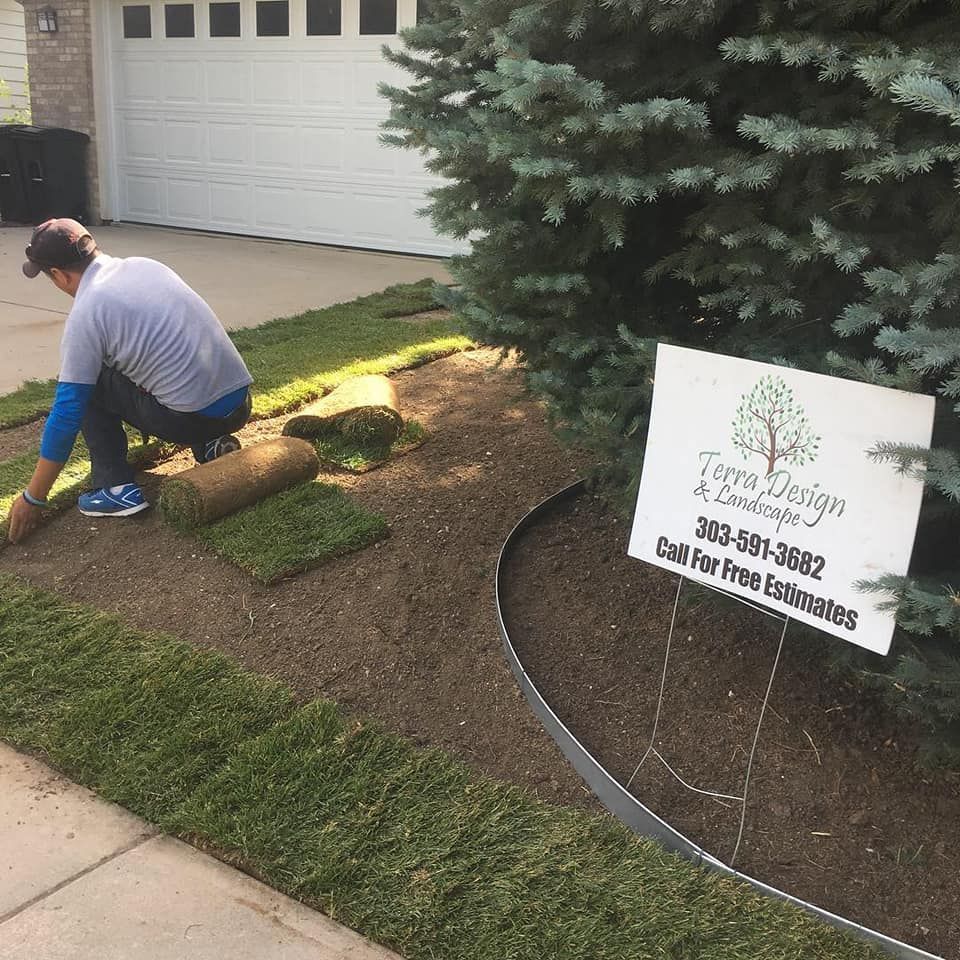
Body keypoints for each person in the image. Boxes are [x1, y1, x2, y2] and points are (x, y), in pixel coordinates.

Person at [7, 219, 253, 544]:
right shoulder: (146, 267)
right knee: (147, 362)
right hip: (239, 405)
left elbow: (66, 414)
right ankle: (210, 443)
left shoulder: (87, 313)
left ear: (60, 274)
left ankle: (114, 487)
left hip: (189, 419)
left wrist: (33, 497)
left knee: (87, 385)